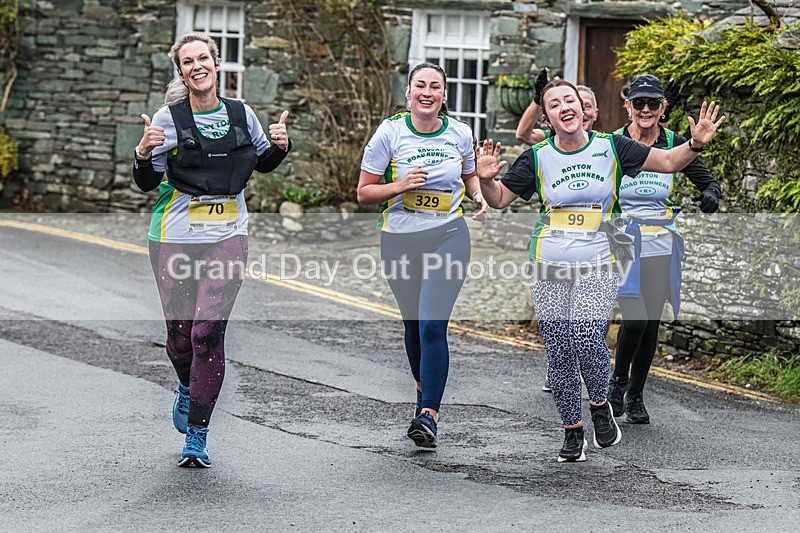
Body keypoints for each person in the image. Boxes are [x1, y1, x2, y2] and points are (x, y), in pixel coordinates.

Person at [476, 80, 724, 462]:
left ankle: (600, 405)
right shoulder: (537, 157)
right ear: (548, 118)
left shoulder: (612, 147)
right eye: (555, 104)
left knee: (587, 333)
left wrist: (695, 144)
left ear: (583, 108)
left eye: (570, 100)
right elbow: (499, 199)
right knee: (559, 347)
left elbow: (669, 162)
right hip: (549, 261)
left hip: (600, 257)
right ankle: (572, 431)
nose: (564, 107)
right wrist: (486, 179)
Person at [132, 33, 291, 467]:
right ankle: (187, 386)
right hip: (175, 237)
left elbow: (263, 161)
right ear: (181, 72)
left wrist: (281, 146)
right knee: (179, 339)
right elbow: (147, 182)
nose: (197, 66)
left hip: (228, 235)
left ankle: (197, 435)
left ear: (216, 65)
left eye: (204, 58)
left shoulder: (242, 114)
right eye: (188, 61)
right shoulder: (167, 119)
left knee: (206, 334)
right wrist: (143, 153)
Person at [357, 62, 489, 449]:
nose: (427, 92)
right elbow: (364, 192)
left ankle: (429, 414)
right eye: (420, 86)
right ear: (409, 92)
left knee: (432, 324)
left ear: (444, 95)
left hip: (448, 235)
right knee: (414, 325)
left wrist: (478, 194)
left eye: (435, 86)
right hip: (399, 240)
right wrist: (399, 186)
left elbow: (469, 175)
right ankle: (422, 393)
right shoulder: (390, 132)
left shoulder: (460, 133)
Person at [609, 74, 721, 424]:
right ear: (627, 106)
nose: (645, 109)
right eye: (638, 103)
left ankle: (636, 396)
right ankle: (617, 382)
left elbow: (707, 180)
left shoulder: (674, 142)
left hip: (660, 243)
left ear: (663, 107)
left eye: (652, 103)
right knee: (636, 318)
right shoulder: (613, 143)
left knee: (650, 324)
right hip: (623, 242)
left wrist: (710, 195)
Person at [515, 69, 599, 147]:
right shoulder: (551, 138)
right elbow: (523, 135)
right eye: (555, 105)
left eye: (587, 106)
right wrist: (538, 99)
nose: (567, 108)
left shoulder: (603, 142)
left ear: (596, 113)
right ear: (547, 120)